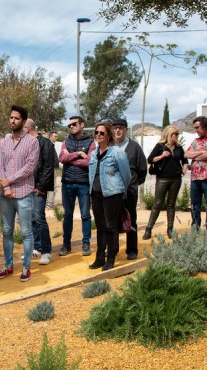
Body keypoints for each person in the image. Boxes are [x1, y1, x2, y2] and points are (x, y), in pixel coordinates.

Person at [0, 104, 39, 282]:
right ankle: (8, 266)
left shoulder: (32, 142)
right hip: (5, 195)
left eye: (17, 118)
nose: (13, 121)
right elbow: (0, 166)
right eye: (11, 117)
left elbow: (29, 167)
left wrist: (9, 181)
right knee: (6, 231)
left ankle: (26, 268)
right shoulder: (3, 143)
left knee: (26, 232)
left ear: (23, 121)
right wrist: (5, 187)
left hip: (24, 193)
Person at [87, 121, 131, 271]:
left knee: (111, 226)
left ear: (108, 136)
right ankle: (100, 257)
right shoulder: (93, 153)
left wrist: (121, 191)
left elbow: (126, 175)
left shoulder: (117, 153)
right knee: (100, 227)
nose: (98, 135)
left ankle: (111, 258)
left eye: (102, 133)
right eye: (96, 132)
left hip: (112, 194)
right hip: (96, 194)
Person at [143, 125, 189, 239]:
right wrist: (162, 156)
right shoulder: (160, 146)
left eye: (178, 134)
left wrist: (184, 169)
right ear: (169, 135)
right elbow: (150, 159)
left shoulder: (179, 147)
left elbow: (184, 160)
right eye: (175, 134)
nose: (177, 136)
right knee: (157, 204)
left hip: (176, 179)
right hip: (162, 179)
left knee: (171, 204)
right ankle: (148, 229)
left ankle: (170, 229)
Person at [58, 116, 95, 257]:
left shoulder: (91, 142)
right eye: (69, 125)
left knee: (85, 215)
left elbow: (89, 162)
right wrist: (79, 154)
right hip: (67, 183)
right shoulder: (66, 142)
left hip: (83, 184)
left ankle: (86, 244)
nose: (71, 126)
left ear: (82, 125)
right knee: (68, 215)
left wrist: (70, 158)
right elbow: (61, 158)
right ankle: (66, 244)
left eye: (74, 124)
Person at [111, 118, 147, 259]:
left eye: (121, 128)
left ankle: (132, 250)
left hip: (129, 191)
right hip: (112, 191)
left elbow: (142, 169)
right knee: (111, 221)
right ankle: (112, 250)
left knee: (131, 220)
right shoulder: (109, 147)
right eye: (115, 128)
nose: (118, 130)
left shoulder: (134, 147)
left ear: (126, 130)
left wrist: (133, 184)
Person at [25, 118, 55, 265]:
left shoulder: (46, 144)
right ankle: (36, 247)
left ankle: (46, 251)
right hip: (27, 187)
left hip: (38, 188)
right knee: (31, 219)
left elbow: (48, 167)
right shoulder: (25, 144)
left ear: (27, 128)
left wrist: (41, 187)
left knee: (39, 218)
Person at [47, 131, 60, 209]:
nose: (56, 138)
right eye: (55, 136)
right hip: (51, 168)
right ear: (51, 136)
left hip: (51, 168)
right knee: (52, 186)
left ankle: (49, 203)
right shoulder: (49, 144)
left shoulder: (51, 144)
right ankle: (49, 204)